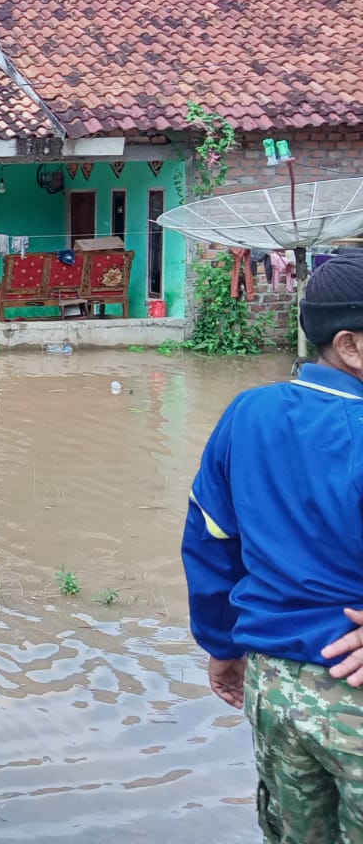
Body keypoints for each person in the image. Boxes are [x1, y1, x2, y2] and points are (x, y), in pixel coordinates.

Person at [182, 252, 363, 840]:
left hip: (275, 690)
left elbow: (211, 539)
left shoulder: (248, 414)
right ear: (350, 345)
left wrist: (222, 643)